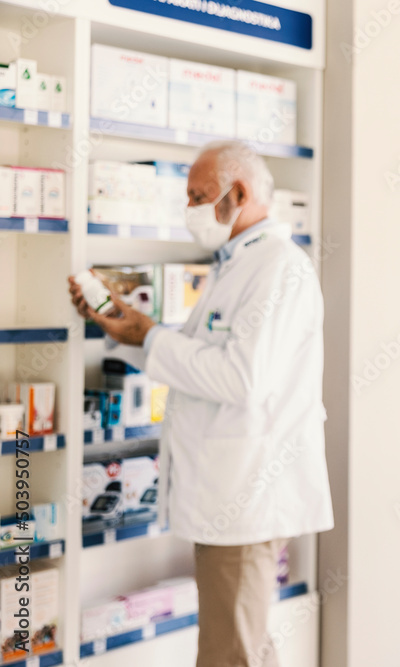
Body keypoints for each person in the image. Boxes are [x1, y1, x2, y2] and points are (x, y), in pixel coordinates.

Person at [68, 141, 334, 667]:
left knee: (229, 651)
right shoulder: (237, 265)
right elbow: (201, 363)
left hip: (247, 492)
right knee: (241, 643)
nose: (190, 208)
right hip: (230, 494)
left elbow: (240, 377)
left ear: (239, 194)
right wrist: (135, 332)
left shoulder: (278, 267)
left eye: (199, 195)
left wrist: (149, 336)